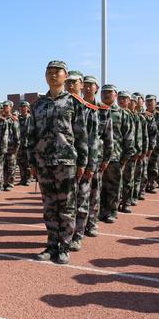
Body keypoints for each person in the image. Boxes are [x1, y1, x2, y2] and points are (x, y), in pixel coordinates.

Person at [27, 61, 88, 264]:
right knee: (49, 207)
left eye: (57, 72)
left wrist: (83, 162)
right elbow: (31, 135)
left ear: (65, 75)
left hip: (66, 163)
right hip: (43, 162)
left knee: (67, 206)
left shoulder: (74, 103)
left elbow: (81, 135)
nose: (53, 76)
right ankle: (52, 244)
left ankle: (64, 246)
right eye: (49, 72)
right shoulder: (38, 105)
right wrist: (32, 162)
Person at [64, 71, 98, 253]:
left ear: (82, 85)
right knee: (66, 203)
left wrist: (90, 165)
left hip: (82, 164)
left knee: (82, 199)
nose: (70, 85)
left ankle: (78, 235)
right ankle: (65, 235)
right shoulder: (59, 105)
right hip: (63, 164)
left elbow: (92, 140)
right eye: (67, 82)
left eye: (74, 82)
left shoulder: (88, 109)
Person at [82, 75, 113, 237]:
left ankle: (91, 224)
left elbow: (108, 137)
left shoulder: (103, 110)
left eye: (90, 85)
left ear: (96, 88)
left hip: (96, 159)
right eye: (85, 85)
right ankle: (77, 225)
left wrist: (106, 158)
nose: (87, 88)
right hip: (77, 159)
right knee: (78, 195)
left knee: (94, 193)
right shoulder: (76, 107)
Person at [99, 85, 134, 223]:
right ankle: (99, 211)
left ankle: (111, 211)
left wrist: (126, 157)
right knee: (98, 186)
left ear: (115, 95)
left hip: (115, 156)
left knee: (113, 185)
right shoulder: (96, 111)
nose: (106, 95)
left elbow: (129, 136)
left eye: (109, 92)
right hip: (98, 156)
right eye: (104, 92)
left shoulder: (123, 114)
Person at [1, 100, 20, 191]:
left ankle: (10, 183)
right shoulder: (1, 118)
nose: (5, 108)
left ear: (11, 107)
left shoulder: (13, 119)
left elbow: (17, 135)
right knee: (3, 166)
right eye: (4, 106)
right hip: (2, 147)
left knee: (11, 166)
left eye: (6, 106)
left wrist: (16, 148)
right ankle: (4, 183)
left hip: (11, 146)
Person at [16, 101, 32, 186]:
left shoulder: (31, 119)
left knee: (28, 163)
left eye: (24, 107)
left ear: (28, 108)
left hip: (28, 144)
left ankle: (28, 179)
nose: (23, 108)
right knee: (21, 163)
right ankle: (23, 179)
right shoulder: (18, 118)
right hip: (20, 144)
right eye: (21, 107)